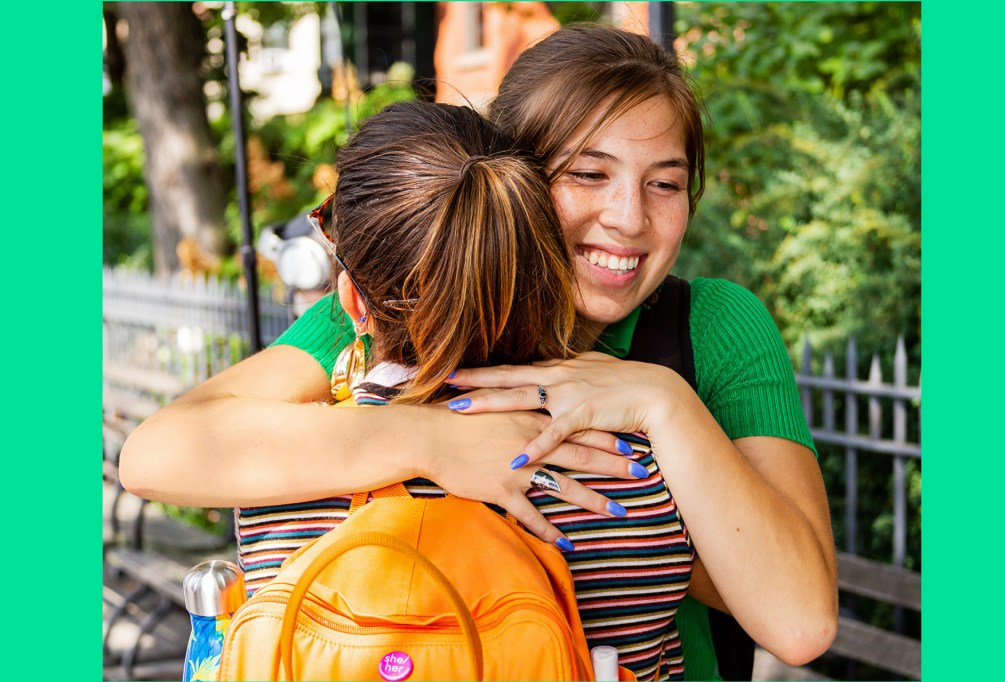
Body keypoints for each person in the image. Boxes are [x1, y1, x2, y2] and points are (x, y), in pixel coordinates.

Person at [120, 24, 837, 680]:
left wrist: (663, 401)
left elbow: (800, 621)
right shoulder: (405, 301)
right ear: (510, 179)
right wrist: (433, 439)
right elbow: (157, 454)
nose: (629, 218)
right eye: (588, 174)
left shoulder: (709, 326)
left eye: (667, 184)